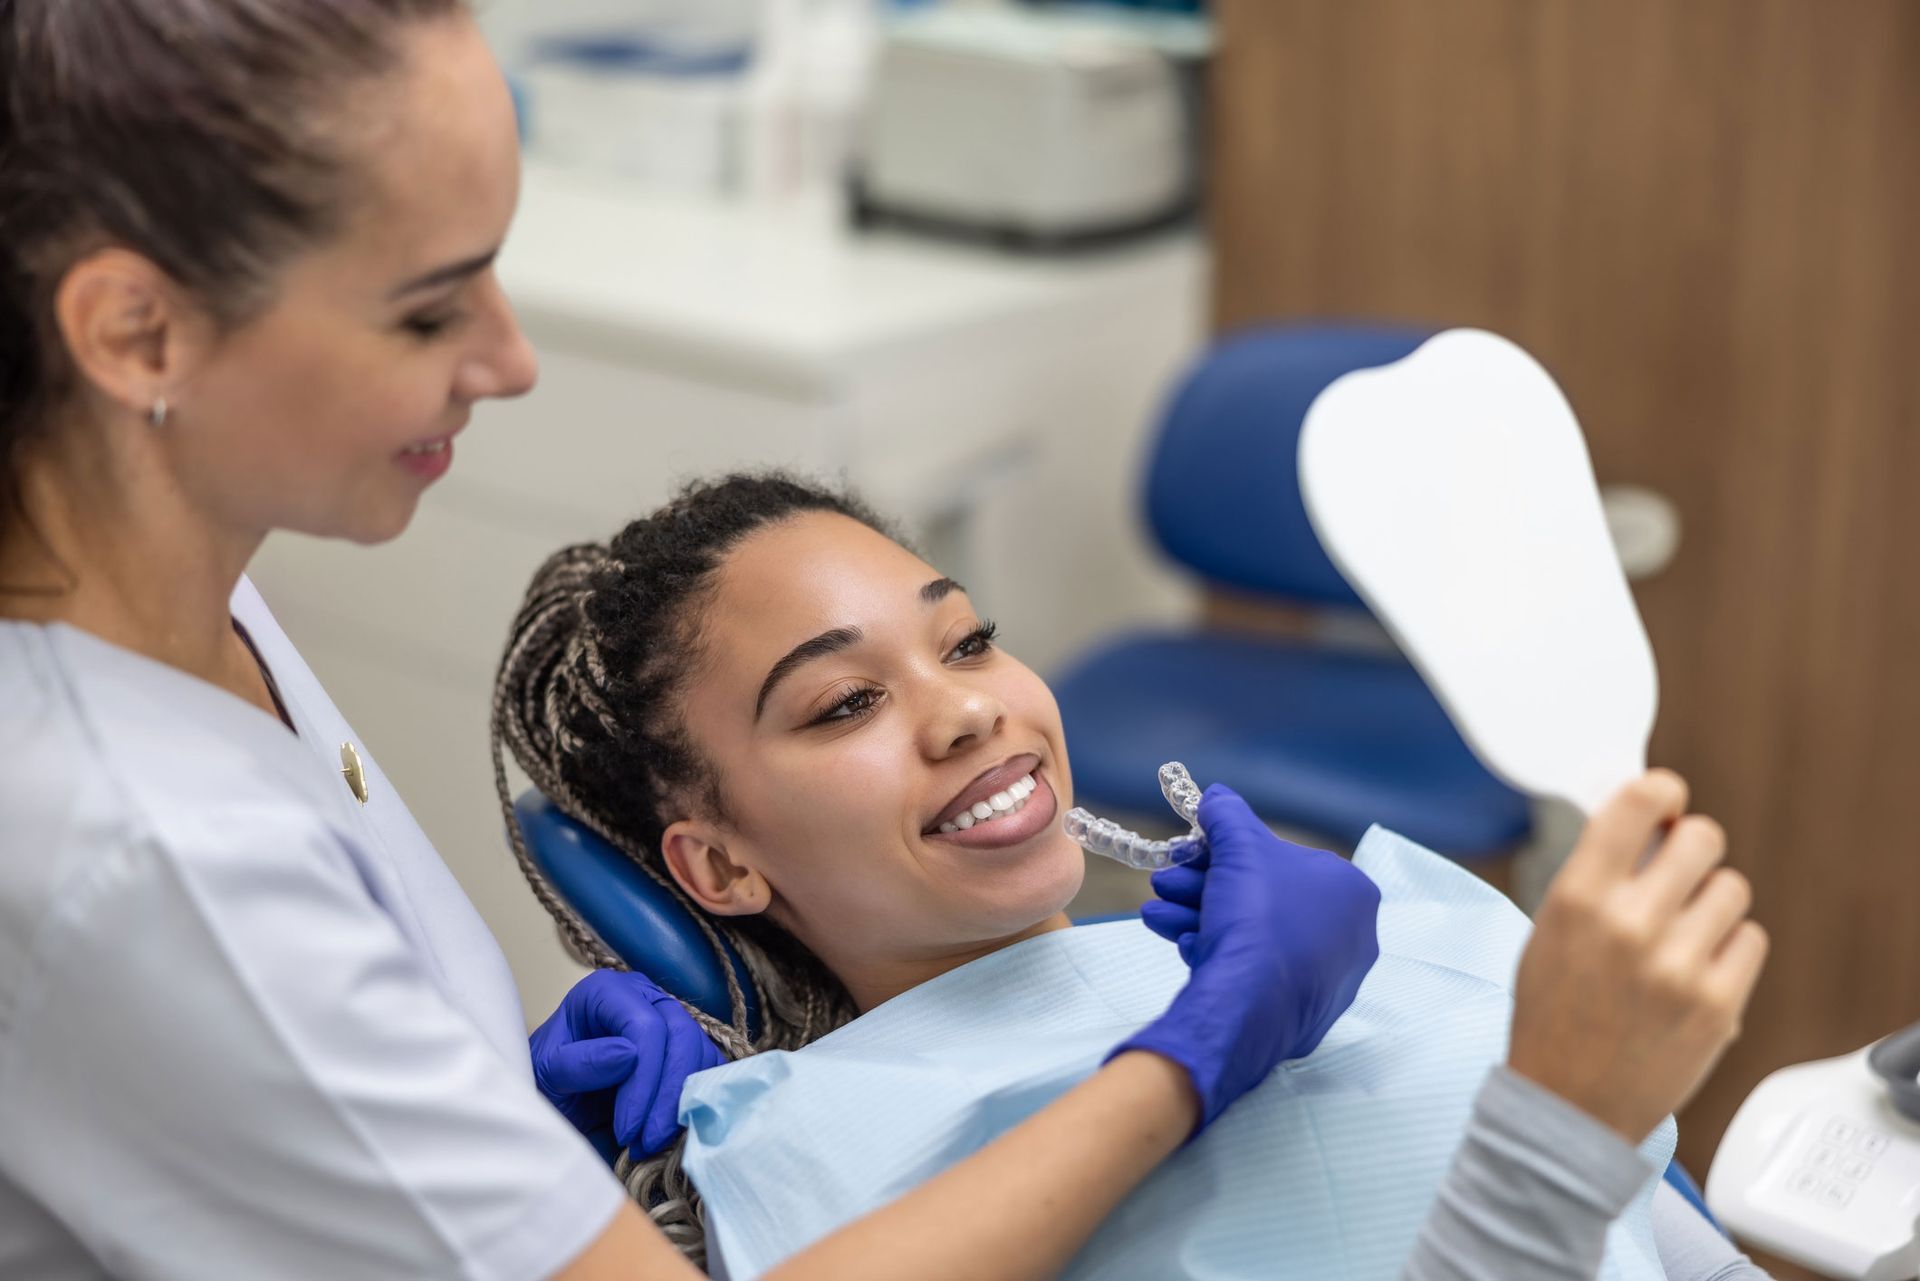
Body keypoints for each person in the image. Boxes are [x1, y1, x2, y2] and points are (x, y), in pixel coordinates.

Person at [0, 3, 1385, 1278]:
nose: (508, 358)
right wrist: (1196, 1055)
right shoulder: (138, 846)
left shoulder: (177, 589)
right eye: (429, 305)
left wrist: (478, 1108)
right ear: (136, 333)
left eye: (969, 640)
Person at [492, 472, 1775, 1279]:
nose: (966, 715)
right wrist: (1555, 1128)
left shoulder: (1386, 922)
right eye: (843, 705)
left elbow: (1665, 1238)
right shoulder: (798, 1161)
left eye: (970, 641)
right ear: (718, 865)